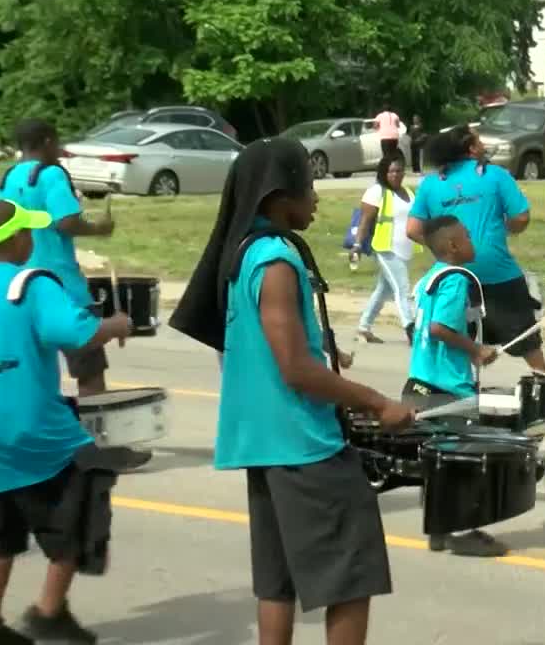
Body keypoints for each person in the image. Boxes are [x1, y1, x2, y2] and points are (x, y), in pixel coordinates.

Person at [169, 138, 414, 645]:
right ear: (280, 195)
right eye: (309, 186)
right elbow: (296, 370)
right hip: (303, 442)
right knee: (350, 578)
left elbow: (267, 345)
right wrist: (375, 401)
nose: (317, 198)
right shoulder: (276, 258)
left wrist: (322, 347)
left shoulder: (244, 253)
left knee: (277, 583)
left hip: (263, 442)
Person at [0, 199, 133, 645]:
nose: (32, 240)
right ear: (18, 239)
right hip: (35, 430)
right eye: (29, 233)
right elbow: (76, 333)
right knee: (86, 497)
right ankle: (48, 611)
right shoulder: (34, 284)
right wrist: (116, 324)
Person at [0, 119, 151, 472]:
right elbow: (65, 222)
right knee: (89, 371)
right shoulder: (51, 175)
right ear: (47, 141)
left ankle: (33, 447)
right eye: (56, 142)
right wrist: (98, 228)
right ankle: (101, 449)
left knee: (33, 372)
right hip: (60, 288)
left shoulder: (6, 179)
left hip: (18, 286)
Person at [404, 215, 509, 556]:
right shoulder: (457, 280)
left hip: (419, 382)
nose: (471, 241)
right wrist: (476, 349)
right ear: (452, 246)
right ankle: (462, 533)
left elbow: (420, 327)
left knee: (438, 462)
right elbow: (439, 328)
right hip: (447, 387)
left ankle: (439, 529)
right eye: (466, 236)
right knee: (464, 461)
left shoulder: (429, 278)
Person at [405, 125, 545, 373]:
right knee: (528, 344)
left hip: (455, 276)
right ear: (471, 149)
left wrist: (444, 249)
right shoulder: (495, 175)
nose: (483, 145)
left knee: (462, 344)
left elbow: (412, 229)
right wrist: (503, 229)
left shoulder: (431, 183)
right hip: (499, 274)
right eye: (479, 141)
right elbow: (521, 218)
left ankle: (467, 395)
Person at [354, 154, 421, 345]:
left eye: (399, 170)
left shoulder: (408, 192)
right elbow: (364, 221)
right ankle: (411, 328)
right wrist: (357, 245)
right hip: (385, 248)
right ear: (384, 173)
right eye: (391, 171)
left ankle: (363, 327)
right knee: (402, 288)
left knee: (383, 290)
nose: (396, 174)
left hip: (405, 248)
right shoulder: (377, 191)